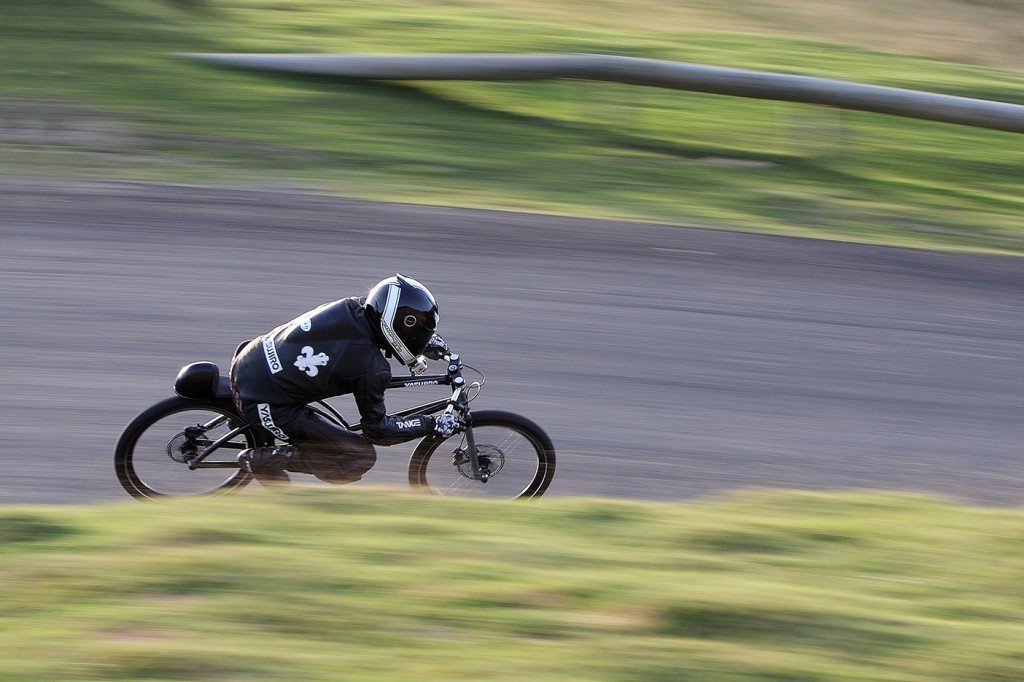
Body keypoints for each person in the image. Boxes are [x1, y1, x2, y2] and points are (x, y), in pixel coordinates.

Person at [229, 274, 460, 484]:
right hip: (265, 402)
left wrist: (424, 343)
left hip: (249, 356)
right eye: (417, 333)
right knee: (359, 456)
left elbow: (382, 320)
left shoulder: (353, 306)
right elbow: (378, 430)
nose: (419, 338)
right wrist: (430, 424)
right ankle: (267, 459)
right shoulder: (372, 367)